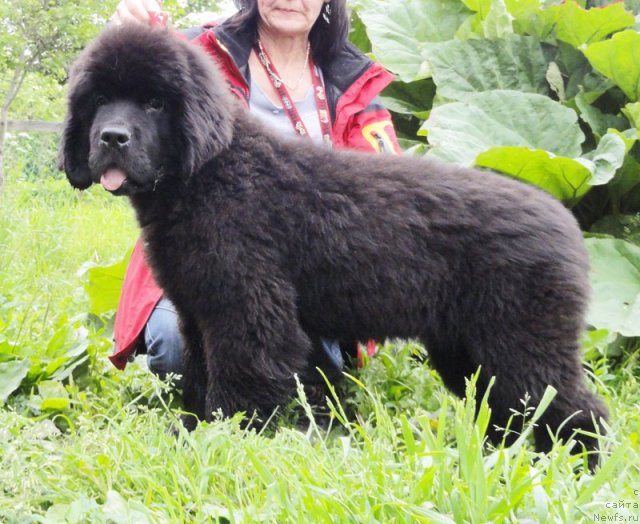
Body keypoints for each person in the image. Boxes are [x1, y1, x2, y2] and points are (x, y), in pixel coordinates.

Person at [108, 0, 401, 385]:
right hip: (202, 257)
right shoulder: (196, 54)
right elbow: (130, 92)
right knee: (179, 347)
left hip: (314, 273)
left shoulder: (354, 80)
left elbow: (383, 197)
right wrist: (129, 33)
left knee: (303, 367)